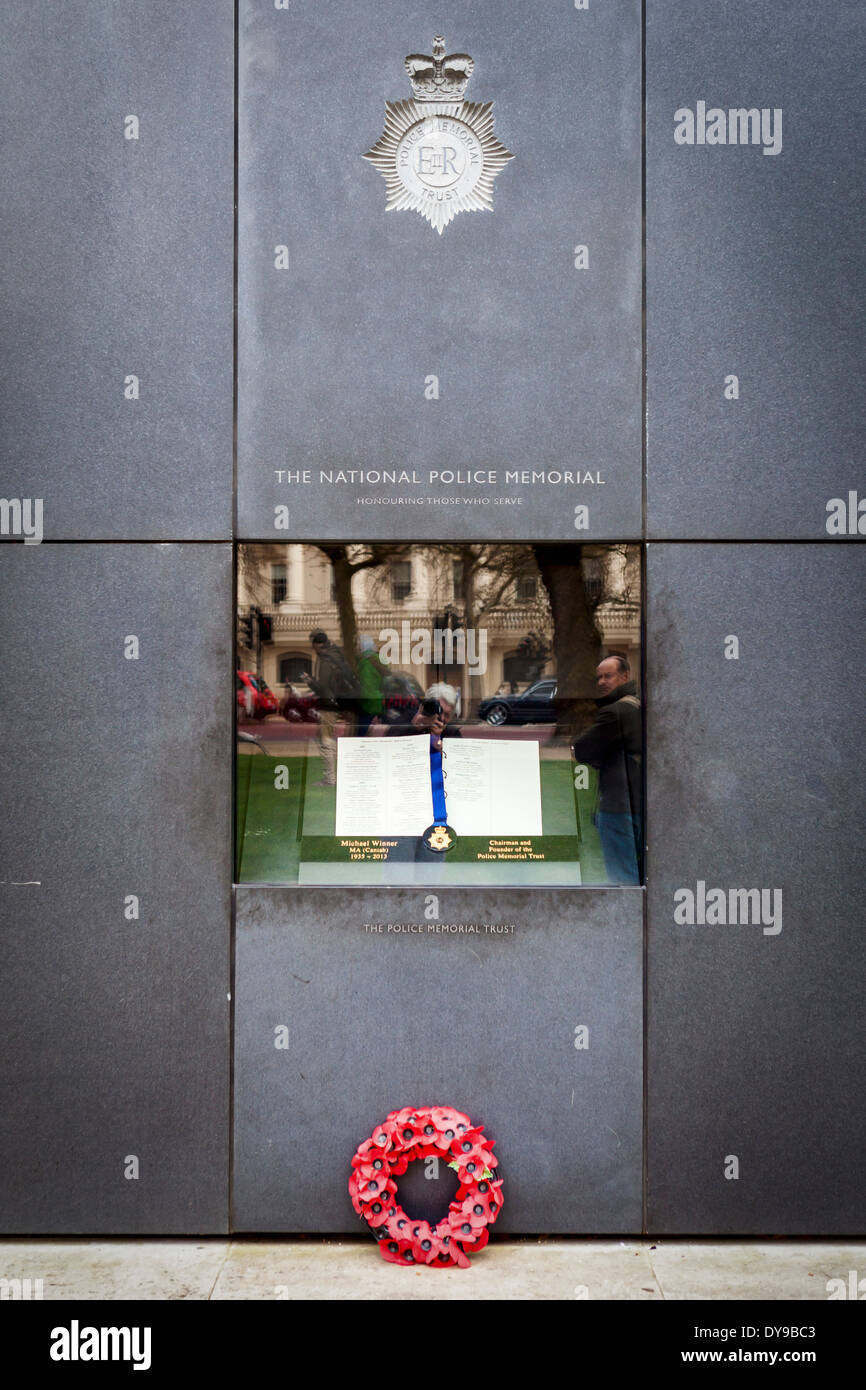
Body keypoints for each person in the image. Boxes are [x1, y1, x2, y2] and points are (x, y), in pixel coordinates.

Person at [572, 654, 642, 885]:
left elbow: (581, 750)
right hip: (637, 803)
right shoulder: (638, 705)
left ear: (625, 676)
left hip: (617, 807)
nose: (601, 682)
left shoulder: (616, 712)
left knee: (622, 878)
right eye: (599, 677)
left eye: (608, 676)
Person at [301, 630, 357, 786]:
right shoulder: (336, 655)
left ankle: (330, 778)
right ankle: (333, 776)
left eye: (313, 644)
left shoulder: (326, 660)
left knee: (325, 740)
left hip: (329, 705)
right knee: (327, 739)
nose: (312, 647)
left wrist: (309, 680)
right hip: (338, 702)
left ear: (318, 645)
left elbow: (323, 688)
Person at [356, 634, 387, 735]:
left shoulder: (364, 663)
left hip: (368, 704)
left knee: (362, 735)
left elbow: (367, 686)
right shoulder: (381, 659)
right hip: (381, 701)